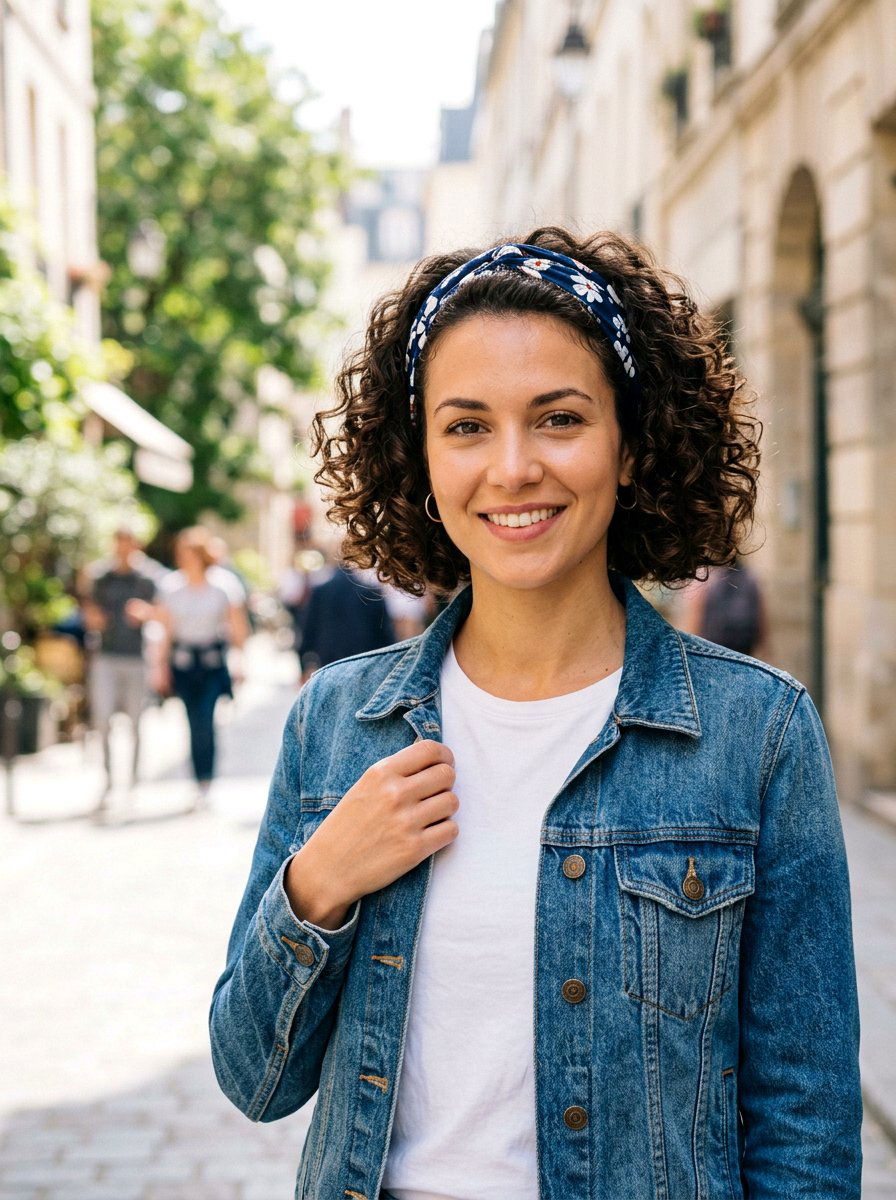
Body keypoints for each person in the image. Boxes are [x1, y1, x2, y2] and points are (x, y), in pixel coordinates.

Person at [209, 230, 862, 1199]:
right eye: (465, 427)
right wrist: (318, 885)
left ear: (631, 445)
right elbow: (254, 1080)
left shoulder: (752, 730)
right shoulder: (338, 722)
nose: (511, 468)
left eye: (557, 418)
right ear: (421, 460)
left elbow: (802, 1116)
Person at [154, 526, 249, 807]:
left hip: (211, 662)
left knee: (205, 721)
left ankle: (205, 780)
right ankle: (198, 778)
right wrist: (159, 666)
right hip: (183, 662)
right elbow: (164, 629)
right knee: (192, 720)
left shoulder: (224, 584)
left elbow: (237, 627)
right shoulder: (171, 586)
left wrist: (239, 660)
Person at [79, 527, 159, 807]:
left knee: (136, 722)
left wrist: (146, 613)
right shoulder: (101, 577)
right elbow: (88, 613)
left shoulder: (148, 578)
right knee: (102, 721)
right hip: (106, 656)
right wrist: (92, 616)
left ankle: (134, 783)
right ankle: (108, 781)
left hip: (137, 657)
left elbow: (161, 614)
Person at [298, 561, 396, 680]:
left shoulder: (320, 591)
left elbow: (307, 631)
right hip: (364, 662)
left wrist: (304, 666)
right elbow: (385, 635)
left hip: (328, 662)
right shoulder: (371, 593)